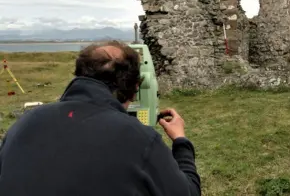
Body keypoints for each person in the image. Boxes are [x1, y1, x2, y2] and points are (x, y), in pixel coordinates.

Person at [0, 40, 201, 196]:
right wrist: (181, 141)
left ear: (79, 76)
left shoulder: (24, 123)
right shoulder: (140, 139)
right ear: (135, 89)